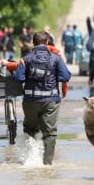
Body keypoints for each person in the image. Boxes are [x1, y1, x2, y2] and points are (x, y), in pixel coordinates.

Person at [14, 31, 71, 165]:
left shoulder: (25, 59)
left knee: (30, 129)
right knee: (49, 133)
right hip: (50, 101)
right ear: (46, 43)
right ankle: (47, 163)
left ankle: (30, 160)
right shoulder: (55, 59)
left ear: (33, 43)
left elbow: (18, 78)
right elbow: (66, 76)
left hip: (30, 101)